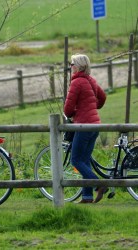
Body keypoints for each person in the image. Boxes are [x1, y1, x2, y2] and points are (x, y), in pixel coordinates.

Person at [64, 53, 107, 204]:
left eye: (72, 64)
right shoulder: (91, 81)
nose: (71, 66)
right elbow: (103, 97)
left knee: (75, 160)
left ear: (78, 66)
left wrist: (76, 113)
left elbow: (68, 109)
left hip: (83, 125)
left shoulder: (76, 83)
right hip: (95, 125)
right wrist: (92, 108)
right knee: (85, 160)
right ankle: (87, 197)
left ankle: (98, 184)